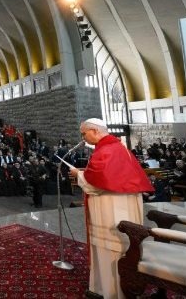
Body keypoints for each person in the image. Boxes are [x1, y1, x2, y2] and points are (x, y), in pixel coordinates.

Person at [69, 118, 153, 299]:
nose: (83, 137)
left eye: (84, 133)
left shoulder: (105, 151)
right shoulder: (118, 147)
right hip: (123, 207)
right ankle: (122, 288)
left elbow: (96, 184)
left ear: (95, 131)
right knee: (124, 247)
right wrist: (85, 173)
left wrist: (78, 174)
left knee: (111, 248)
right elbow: (104, 176)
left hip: (111, 210)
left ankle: (110, 292)